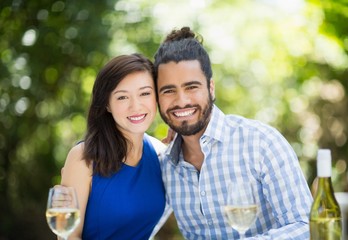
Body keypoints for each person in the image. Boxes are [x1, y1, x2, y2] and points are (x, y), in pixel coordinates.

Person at [153, 27, 313, 239]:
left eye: (191, 87)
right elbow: (138, 226)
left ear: (211, 88)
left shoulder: (261, 143)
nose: (181, 101)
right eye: (169, 90)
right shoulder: (165, 166)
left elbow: (306, 226)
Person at [59, 53, 169, 239]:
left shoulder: (161, 154)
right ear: (107, 104)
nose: (136, 106)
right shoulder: (83, 158)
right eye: (122, 97)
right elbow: (67, 236)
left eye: (144, 93)